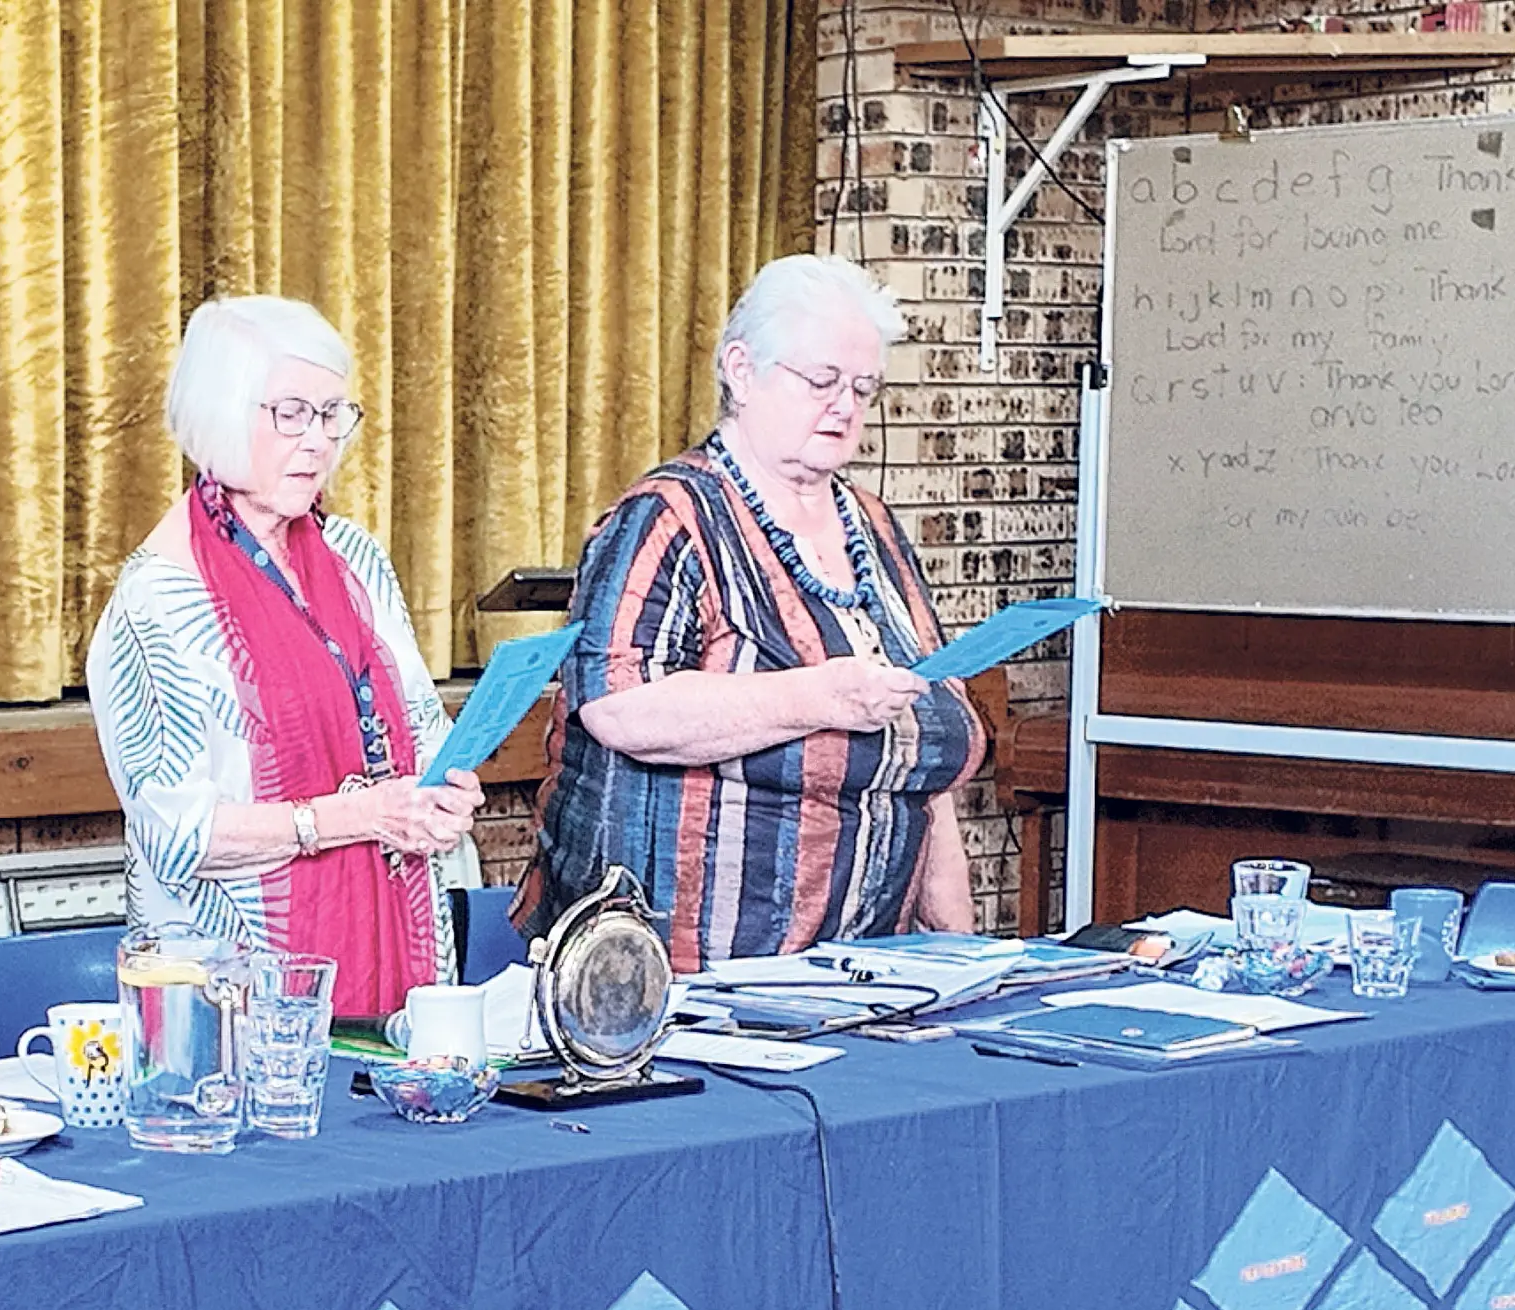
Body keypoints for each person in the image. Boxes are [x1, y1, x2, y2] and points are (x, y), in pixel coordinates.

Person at [516, 254, 983, 968]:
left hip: (865, 974)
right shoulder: (667, 516)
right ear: (740, 368)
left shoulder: (874, 527)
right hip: (681, 978)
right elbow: (618, 707)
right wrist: (816, 695)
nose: (844, 406)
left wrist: (958, 953)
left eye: (864, 389)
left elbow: (924, 759)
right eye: (821, 381)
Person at [88, 296, 482, 1016]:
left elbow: (422, 727)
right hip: (225, 1003)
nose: (319, 441)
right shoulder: (160, 596)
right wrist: (356, 816)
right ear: (221, 414)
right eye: (292, 413)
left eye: (334, 415)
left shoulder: (355, 555)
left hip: (399, 961)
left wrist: (442, 794)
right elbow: (180, 835)